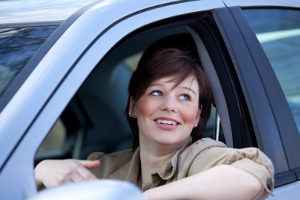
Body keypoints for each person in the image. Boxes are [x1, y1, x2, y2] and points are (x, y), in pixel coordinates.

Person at [35, 34, 274, 200]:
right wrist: (39, 172)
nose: (170, 106)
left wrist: (143, 197)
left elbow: (254, 174)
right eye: (157, 92)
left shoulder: (202, 156)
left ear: (197, 116)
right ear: (133, 106)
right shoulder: (104, 167)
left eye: (185, 97)